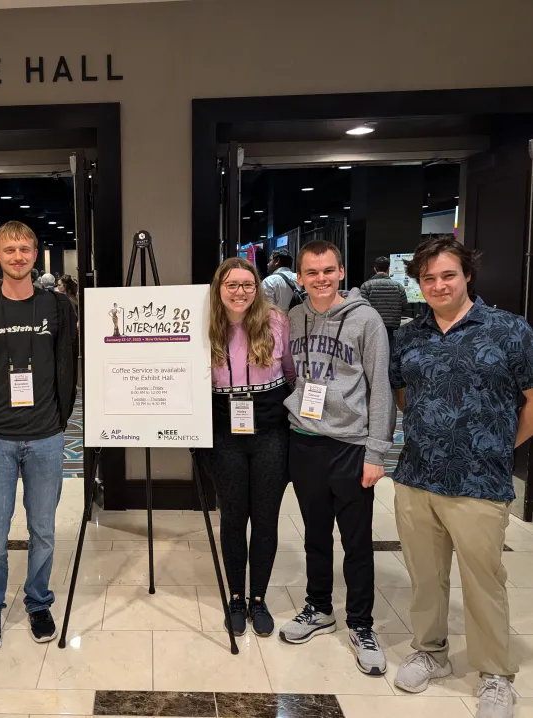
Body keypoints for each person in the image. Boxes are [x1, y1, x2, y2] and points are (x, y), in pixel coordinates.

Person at [390, 237, 530, 718]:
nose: (437, 285)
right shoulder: (410, 335)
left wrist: (493, 445)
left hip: (480, 482)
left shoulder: (509, 330)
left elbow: (531, 403)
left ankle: (495, 674)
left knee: (483, 579)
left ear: (467, 275)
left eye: (447, 275)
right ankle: (430, 652)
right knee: (425, 576)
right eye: (427, 278)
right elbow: (404, 395)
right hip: (415, 476)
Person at [0, 221, 78, 651]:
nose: (18, 257)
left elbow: (69, 364)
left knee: (43, 528)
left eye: (25, 249)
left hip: (46, 437)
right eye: (9, 250)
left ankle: (38, 601)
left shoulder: (58, 307)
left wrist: (62, 417)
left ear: (35, 254)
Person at [279, 240, 395, 677]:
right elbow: (291, 373)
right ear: (301, 277)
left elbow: (380, 388)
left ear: (342, 272)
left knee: (357, 542)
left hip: (351, 445)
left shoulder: (366, 320)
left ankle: (361, 623)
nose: (321, 279)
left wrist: (377, 452)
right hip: (305, 441)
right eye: (312, 272)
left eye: (328, 270)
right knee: (314, 534)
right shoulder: (293, 317)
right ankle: (318, 607)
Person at [196, 258, 295, 637]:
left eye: (247, 284)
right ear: (218, 288)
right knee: (234, 518)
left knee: (266, 518)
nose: (240, 292)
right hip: (223, 429)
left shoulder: (276, 321)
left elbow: (289, 373)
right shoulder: (205, 324)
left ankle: (259, 597)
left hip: (270, 428)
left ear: (257, 287)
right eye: (232, 284)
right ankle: (236, 595)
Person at [359, 256, 408, 348]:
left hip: (372, 328)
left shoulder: (366, 286)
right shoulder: (399, 286)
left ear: (374, 269)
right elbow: (404, 306)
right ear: (388, 269)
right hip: (392, 329)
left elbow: (361, 308)